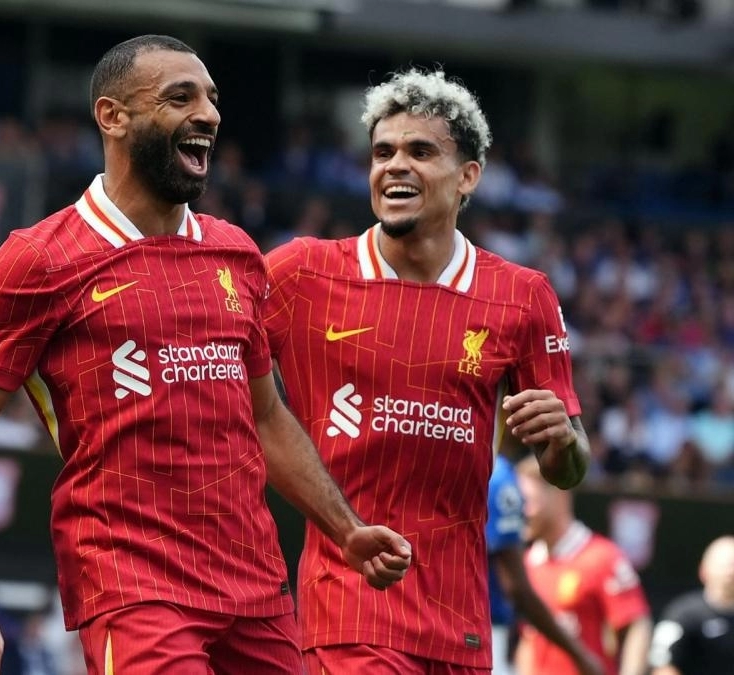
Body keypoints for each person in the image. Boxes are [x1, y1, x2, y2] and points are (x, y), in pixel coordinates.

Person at [0, 34, 412, 675]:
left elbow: (266, 416)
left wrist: (344, 528)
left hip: (254, 585)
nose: (208, 115)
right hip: (132, 585)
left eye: (212, 99)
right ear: (113, 116)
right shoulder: (40, 260)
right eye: (180, 98)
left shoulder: (236, 252)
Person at [261, 67, 591, 674]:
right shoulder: (302, 274)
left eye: (420, 151)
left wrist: (563, 440)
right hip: (350, 614)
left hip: (462, 625)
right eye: (382, 152)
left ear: (468, 176)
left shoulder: (522, 295)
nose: (395, 166)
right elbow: (218, 350)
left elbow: (569, 470)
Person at [515, 454, 651, 675]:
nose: (521, 511)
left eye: (527, 501)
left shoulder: (603, 557)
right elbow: (528, 638)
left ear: (560, 495)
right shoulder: (527, 563)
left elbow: (636, 626)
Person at [488, 448, 604, 675]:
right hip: (482, 638)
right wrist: (581, 656)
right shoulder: (500, 478)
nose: (526, 512)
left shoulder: (601, 555)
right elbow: (517, 589)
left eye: (528, 501)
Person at [648, 535, 734, 675]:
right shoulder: (683, 614)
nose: (731, 572)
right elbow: (663, 665)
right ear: (703, 571)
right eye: (725, 565)